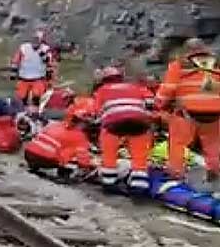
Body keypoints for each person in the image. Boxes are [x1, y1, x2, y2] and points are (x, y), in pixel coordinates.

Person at [155, 38, 220, 187]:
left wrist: (159, 104)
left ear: (186, 50)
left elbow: (168, 89)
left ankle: (176, 176)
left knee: (177, 143)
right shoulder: (217, 64)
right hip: (215, 114)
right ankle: (215, 176)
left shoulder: (180, 65)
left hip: (188, 113)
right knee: (213, 147)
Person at [92, 66, 156, 193]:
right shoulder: (135, 87)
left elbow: (97, 112)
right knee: (140, 155)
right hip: (139, 121)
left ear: (104, 80)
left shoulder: (102, 90)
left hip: (114, 122)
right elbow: (151, 102)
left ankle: (109, 183)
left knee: (109, 152)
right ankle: (139, 186)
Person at [11, 30, 56, 113]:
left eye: (38, 39)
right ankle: (21, 113)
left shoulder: (46, 49)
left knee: (36, 97)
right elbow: (16, 60)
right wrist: (13, 73)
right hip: (23, 78)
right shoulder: (24, 47)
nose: (35, 41)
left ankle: (36, 113)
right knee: (21, 98)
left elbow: (49, 62)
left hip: (38, 78)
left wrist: (50, 79)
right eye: (34, 38)